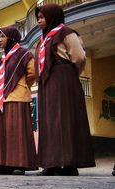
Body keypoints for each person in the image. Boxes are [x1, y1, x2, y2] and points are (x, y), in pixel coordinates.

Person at [35, 4, 95, 176]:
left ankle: (69, 164)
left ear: (53, 17)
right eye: (38, 17)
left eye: (42, 17)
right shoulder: (44, 39)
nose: (39, 21)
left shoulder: (66, 33)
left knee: (65, 119)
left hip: (63, 78)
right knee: (49, 120)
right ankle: (51, 163)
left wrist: (68, 74)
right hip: (47, 81)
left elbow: (78, 56)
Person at [0, 25, 37, 175]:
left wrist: (21, 86)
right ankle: (3, 165)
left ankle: (19, 164)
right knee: (2, 133)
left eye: (3, 36)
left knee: (16, 132)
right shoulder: (1, 59)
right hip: (1, 100)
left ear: (11, 37)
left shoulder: (24, 54)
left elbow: (32, 73)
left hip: (17, 98)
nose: (0, 40)